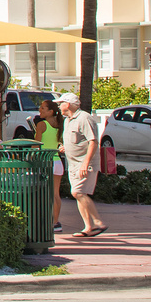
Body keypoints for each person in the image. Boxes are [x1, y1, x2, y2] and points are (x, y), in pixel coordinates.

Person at [58, 92, 106, 237]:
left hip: (84, 163)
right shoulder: (68, 120)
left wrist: (85, 163)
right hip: (73, 164)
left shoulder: (84, 118)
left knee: (77, 192)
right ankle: (88, 227)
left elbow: (93, 141)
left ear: (68, 104)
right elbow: (77, 140)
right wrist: (66, 148)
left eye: (61, 103)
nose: (59, 106)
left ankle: (98, 222)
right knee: (80, 194)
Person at [37, 99, 65, 233]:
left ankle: (43, 221)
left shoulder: (42, 125)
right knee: (55, 194)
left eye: (43, 108)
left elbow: (35, 145)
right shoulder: (60, 125)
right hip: (57, 161)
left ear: (50, 111)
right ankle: (55, 222)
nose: (40, 110)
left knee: (42, 193)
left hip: (44, 161)